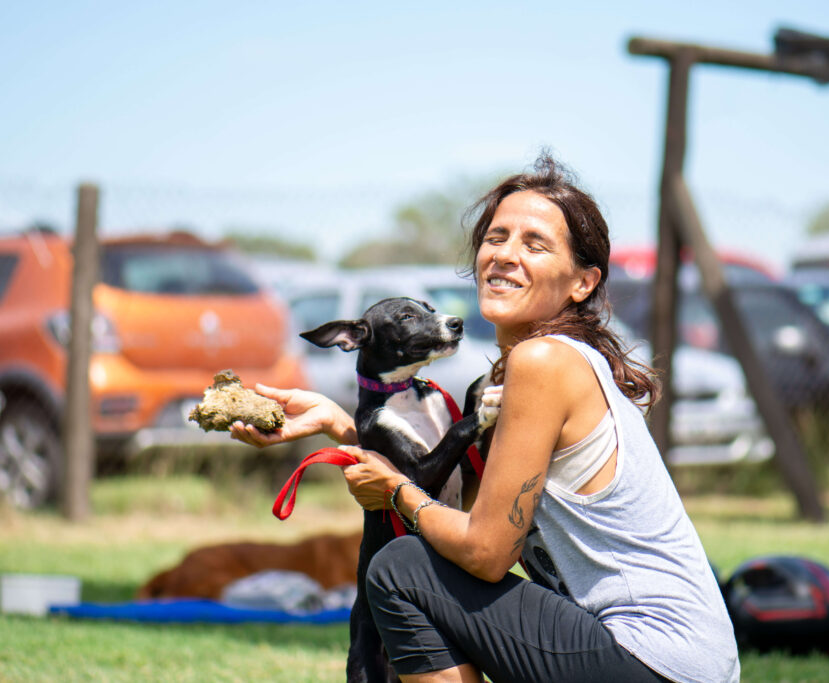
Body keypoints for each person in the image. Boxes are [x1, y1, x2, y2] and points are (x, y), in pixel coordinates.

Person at [231, 156, 740, 683]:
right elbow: (458, 495)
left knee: (401, 568)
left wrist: (397, 494)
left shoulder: (543, 361)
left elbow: (485, 551)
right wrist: (343, 428)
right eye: (496, 238)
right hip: (664, 661)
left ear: (583, 282)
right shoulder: (535, 368)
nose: (505, 256)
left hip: (651, 657)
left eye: (534, 244)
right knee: (423, 556)